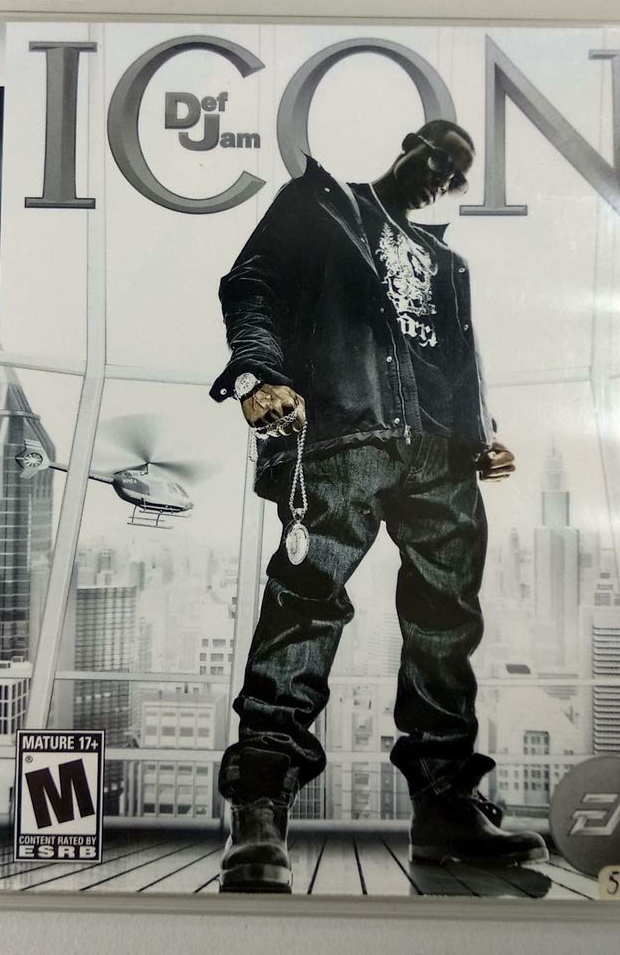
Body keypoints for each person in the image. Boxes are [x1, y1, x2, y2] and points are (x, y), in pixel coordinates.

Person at [209, 120, 548, 893]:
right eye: (441, 158)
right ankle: (259, 809)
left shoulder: (447, 261)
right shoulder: (324, 204)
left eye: (458, 174)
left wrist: (481, 436)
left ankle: (446, 809)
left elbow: (454, 359)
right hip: (344, 432)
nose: (445, 178)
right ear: (409, 145)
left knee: (445, 627)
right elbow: (252, 285)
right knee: (305, 605)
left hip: (443, 458)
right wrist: (258, 375)